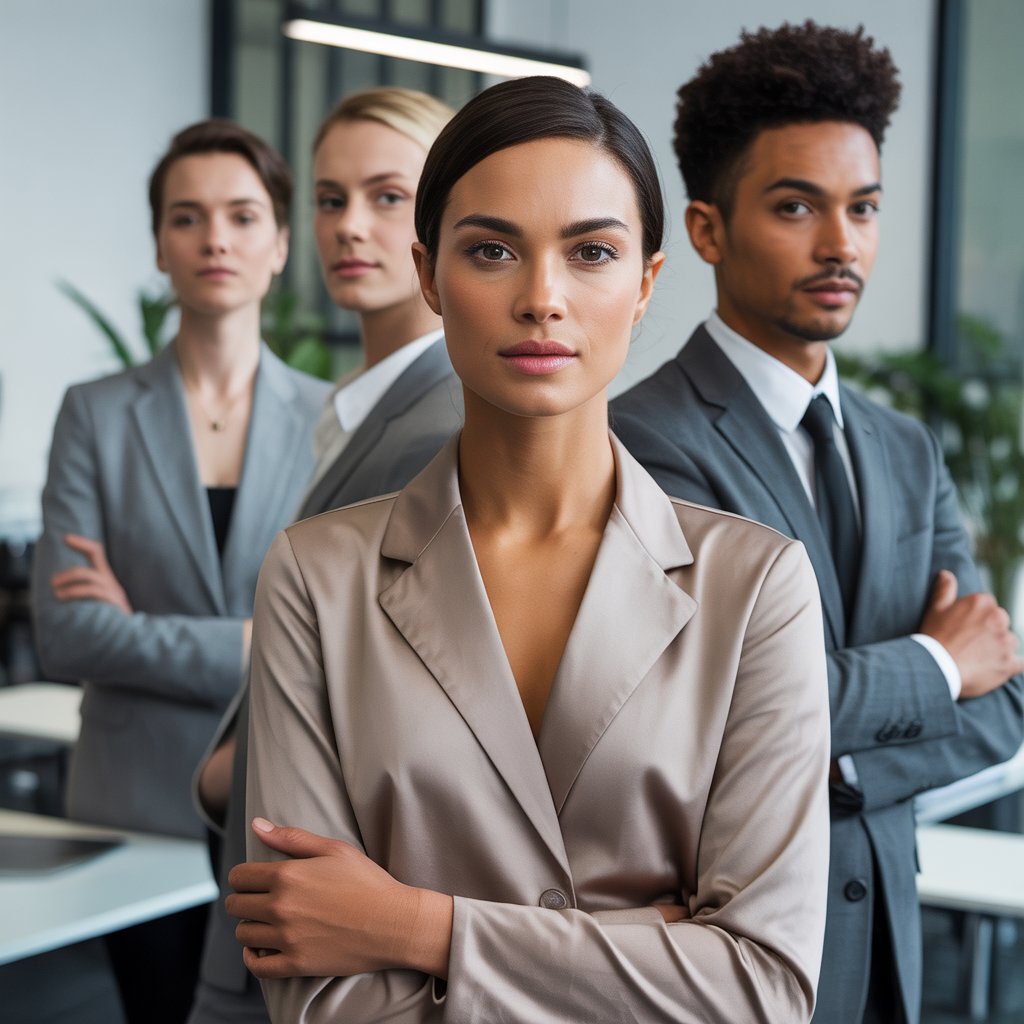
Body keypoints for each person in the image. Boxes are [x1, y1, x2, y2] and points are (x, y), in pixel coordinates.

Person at [226, 75, 831, 1024]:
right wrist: (655, 940)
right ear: (429, 277)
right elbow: (318, 989)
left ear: (646, 286)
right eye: (492, 250)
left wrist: (416, 926)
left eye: (591, 252)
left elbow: (762, 988)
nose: (542, 298)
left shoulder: (756, 587)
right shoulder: (317, 573)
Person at [610, 22, 1024, 1024]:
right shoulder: (639, 443)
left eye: (863, 208)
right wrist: (930, 668)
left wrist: (819, 754)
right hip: (727, 951)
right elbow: (698, 720)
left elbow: (1002, 701)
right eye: (796, 207)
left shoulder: (902, 447)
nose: (841, 244)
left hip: (887, 944)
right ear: (706, 231)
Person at [30, 119, 329, 1024]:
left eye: (242, 216)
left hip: (280, 800)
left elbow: (336, 643)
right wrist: (250, 639)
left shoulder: (329, 424)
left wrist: (141, 631)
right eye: (188, 217)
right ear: (160, 243)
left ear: (278, 245)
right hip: (130, 807)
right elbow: (66, 632)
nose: (216, 240)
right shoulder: (95, 414)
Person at [187, 87, 461, 1024]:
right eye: (330, 198)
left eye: (389, 197)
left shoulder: (443, 423)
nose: (351, 227)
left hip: (337, 923)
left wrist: (230, 770)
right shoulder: (354, 411)